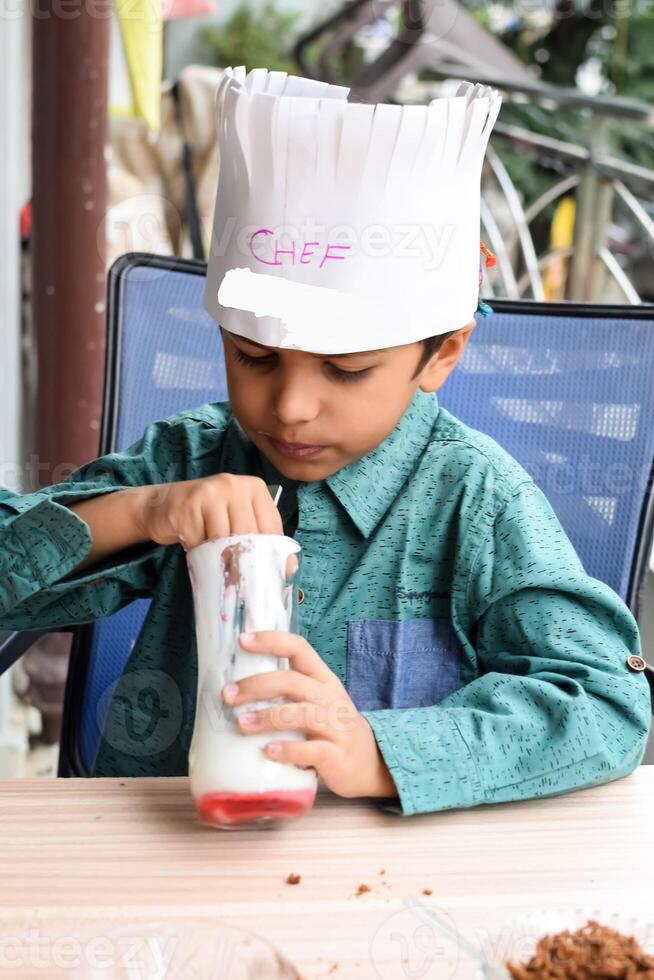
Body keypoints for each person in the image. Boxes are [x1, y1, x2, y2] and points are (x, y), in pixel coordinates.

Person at [0, 69, 650, 814]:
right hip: (173, 855)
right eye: (254, 356)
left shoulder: (475, 502)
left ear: (440, 355)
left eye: (346, 370)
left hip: (385, 885)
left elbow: (606, 703)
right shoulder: (189, 464)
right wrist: (141, 512)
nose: (291, 407)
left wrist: (379, 750)